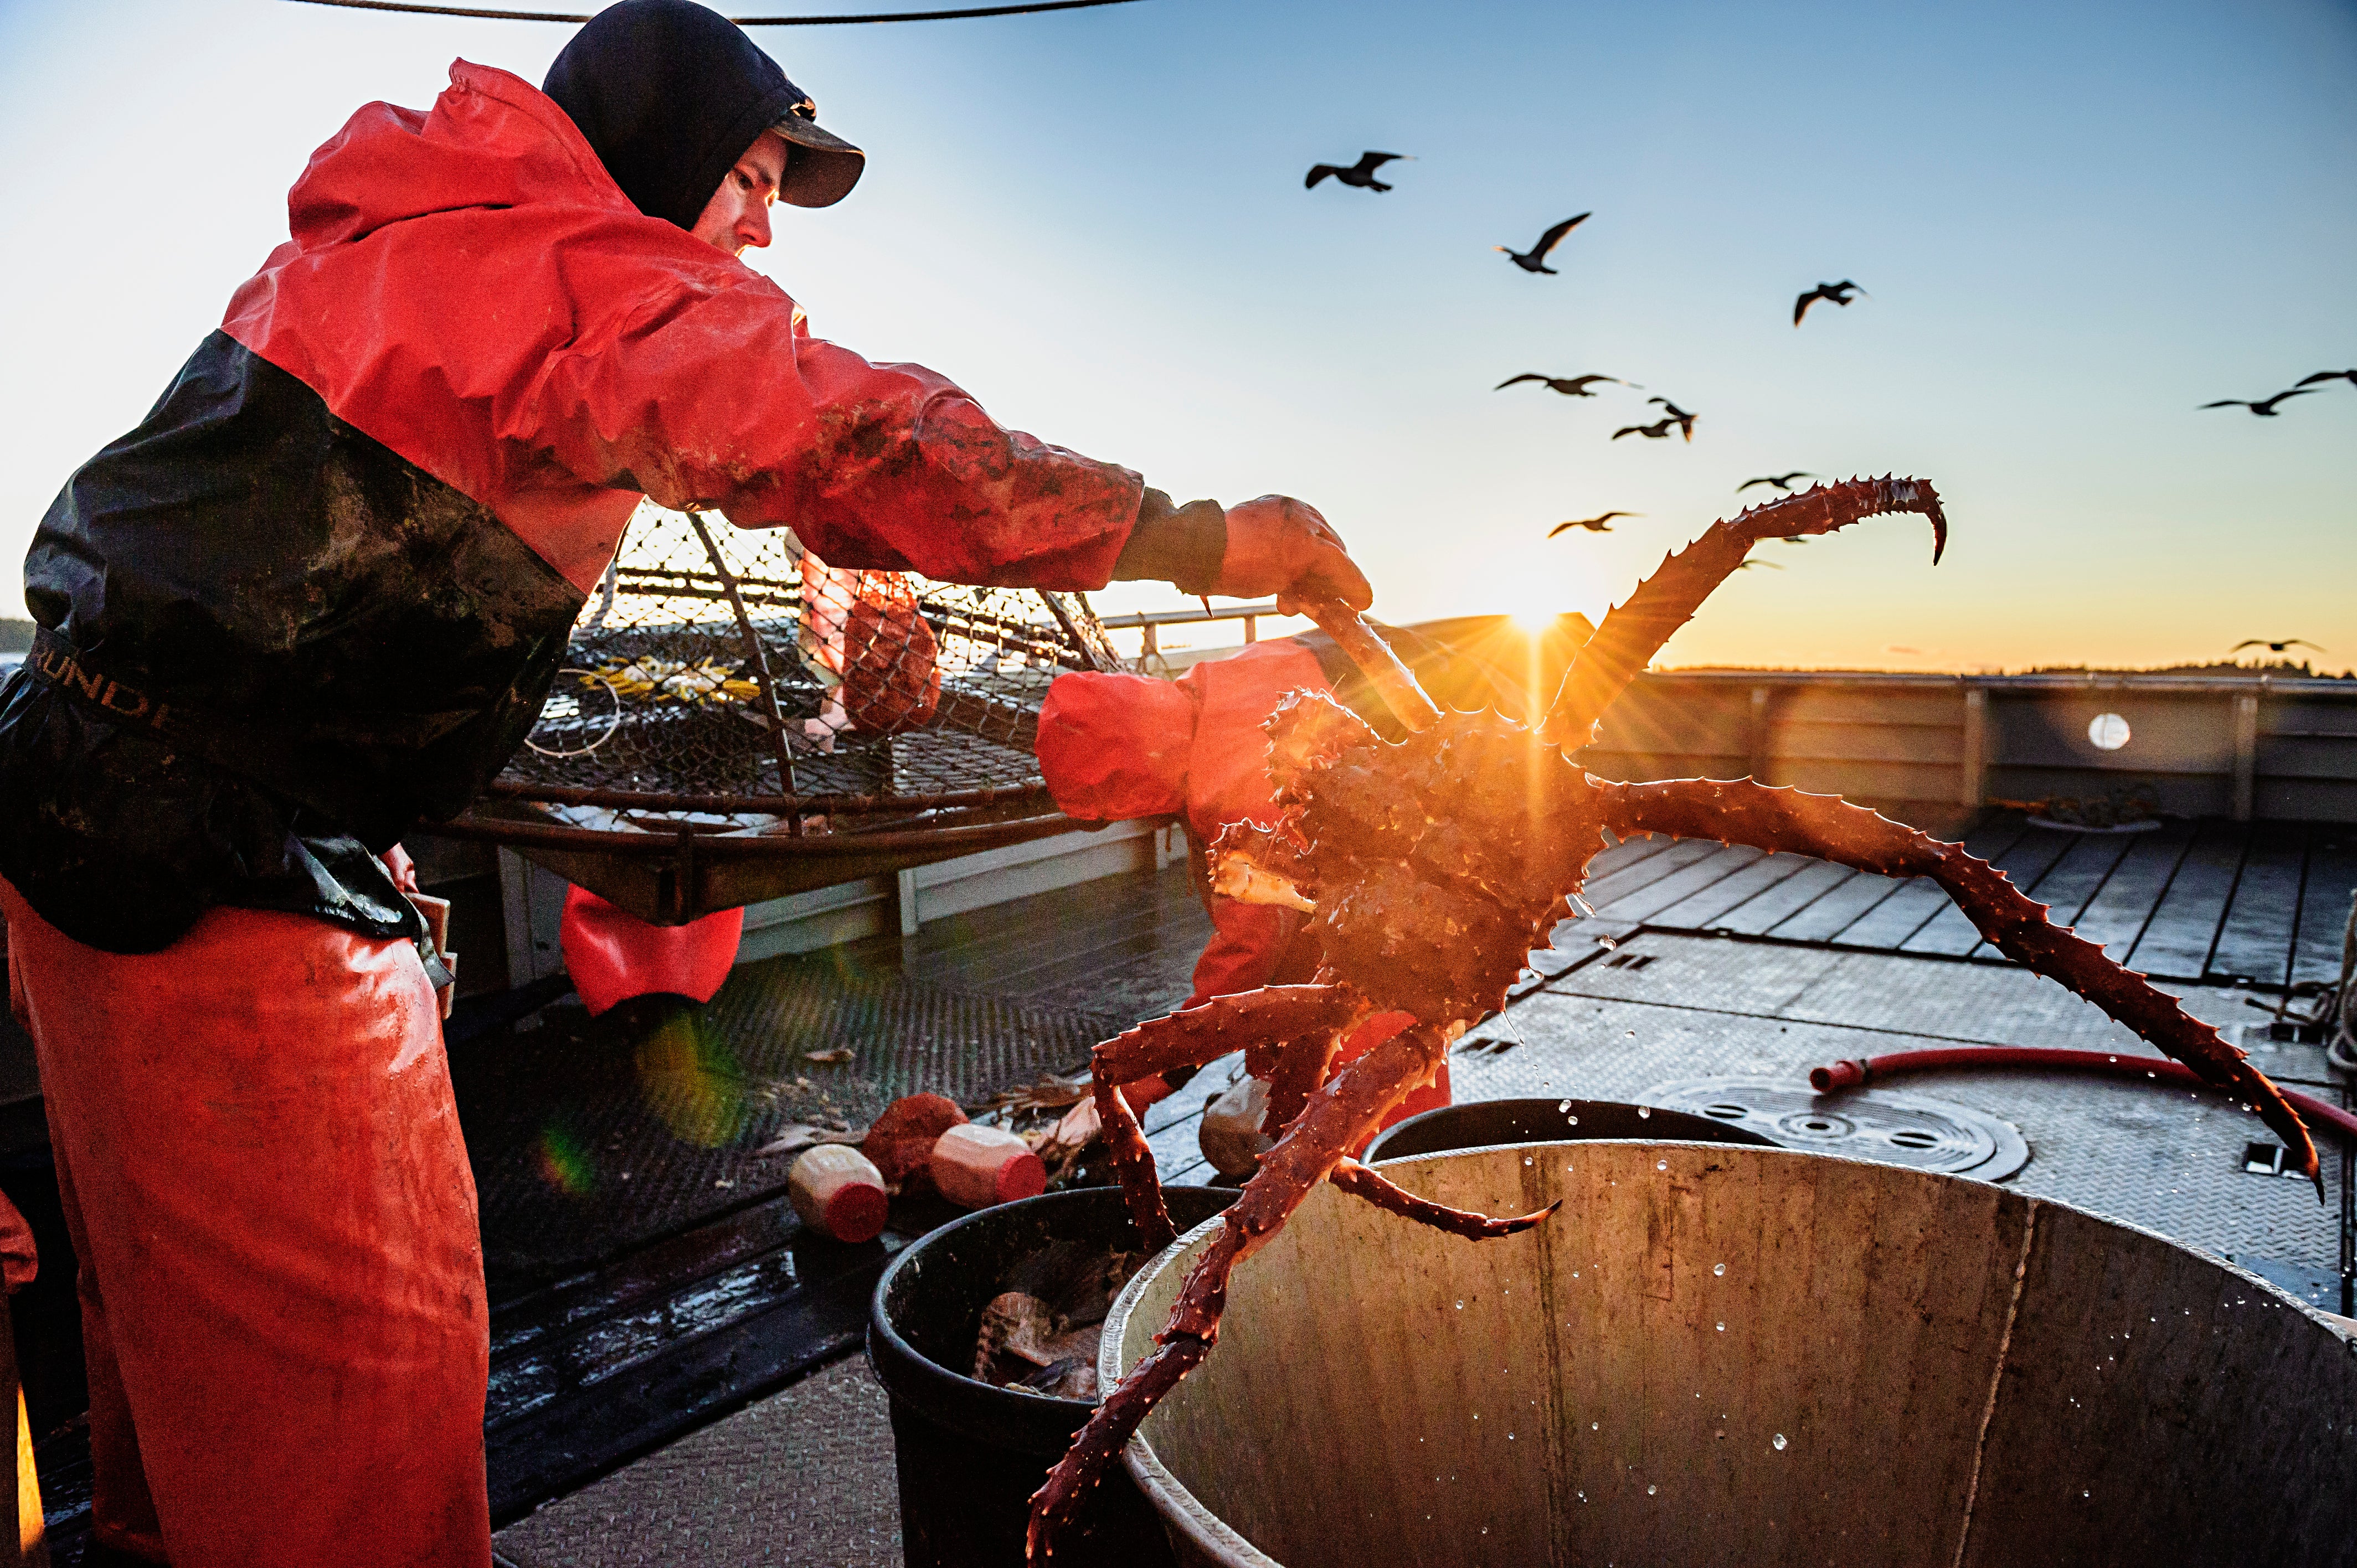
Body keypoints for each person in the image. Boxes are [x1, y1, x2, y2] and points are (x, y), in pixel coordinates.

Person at [0, 2, 1368, 1562]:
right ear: (659, 150)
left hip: (79, 814)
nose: (767, 217)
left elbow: (273, 581)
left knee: (185, 1403)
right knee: (352, 1430)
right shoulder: (577, 268)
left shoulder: (400, 225)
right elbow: (847, 439)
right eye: (754, 171)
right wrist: (1197, 535)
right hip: (221, 889)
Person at [1034, 620, 1517, 1161]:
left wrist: (1142, 1080)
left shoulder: (1237, 786)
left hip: (1464, 847)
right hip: (1452, 760)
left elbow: (1249, 951)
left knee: (1374, 1052)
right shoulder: (1223, 678)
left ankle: (1401, 1166)